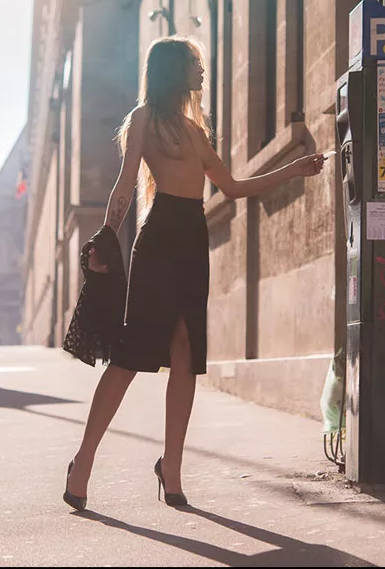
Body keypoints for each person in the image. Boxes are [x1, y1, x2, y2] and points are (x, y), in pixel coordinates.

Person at [63, 36, 326, 512]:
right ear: (172, 69)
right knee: (129, 355)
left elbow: (232, 187)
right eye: (194, 64)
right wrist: (105, 236)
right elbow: (125, 184)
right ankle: (83, 461)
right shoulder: (145, 119)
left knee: (185, 353)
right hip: (159, 235)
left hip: (191, 240)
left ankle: (173, 467)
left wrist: (293, 170)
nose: (202, 73)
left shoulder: (195, 131)